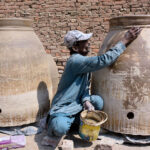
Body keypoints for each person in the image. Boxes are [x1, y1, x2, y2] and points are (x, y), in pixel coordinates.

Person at [41, 27, 141, 147]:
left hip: (77, 105)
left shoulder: (83, 62)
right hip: (65, 108)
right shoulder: (76, 61)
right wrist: (125, 40)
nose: (89, 43)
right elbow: (104, 60)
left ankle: (73, 123)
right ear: (75, 48)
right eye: (85, 41)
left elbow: (84, 89)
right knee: (59, 127)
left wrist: (86, 101)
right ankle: (54, 122)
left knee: (97, 101)